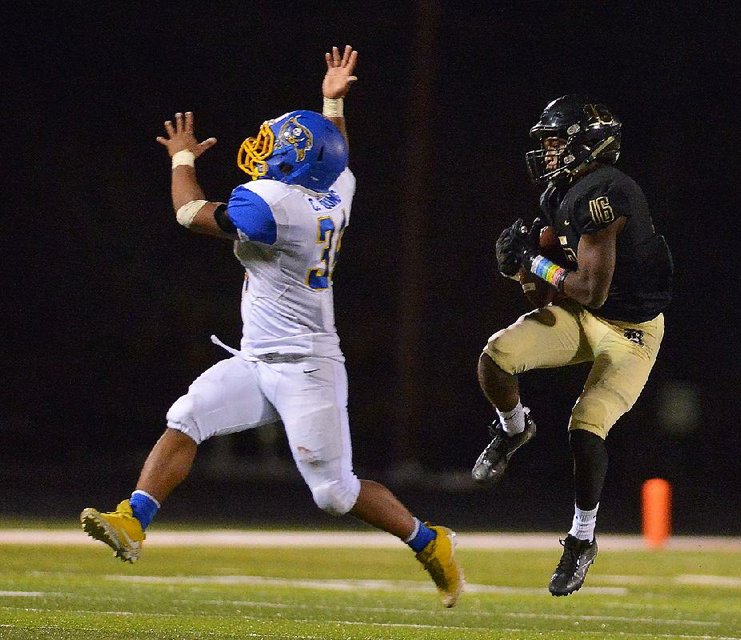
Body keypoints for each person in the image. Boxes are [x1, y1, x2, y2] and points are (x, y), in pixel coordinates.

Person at [80, 45, 463, 608]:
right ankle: (133, 521)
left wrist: (181, 159)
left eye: (278, 146)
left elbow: (189, 214)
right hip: (257, 359)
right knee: (187, 416)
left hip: (308, 367)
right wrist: (332, 105)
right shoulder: (337, 190)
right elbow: (339, 157)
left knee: (335, 494)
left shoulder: (274, 206)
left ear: (296, 162)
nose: (266, 152)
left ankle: (431, 541)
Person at [472, 95, 673, 596]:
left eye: (557, 142)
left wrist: (534, 261)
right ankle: (514, 429)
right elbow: (548, 290)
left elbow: (589, 288)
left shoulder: (608, 192)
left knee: (586, 426)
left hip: (631, 331)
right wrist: (521, 270)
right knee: (497, 355)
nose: (548, 152)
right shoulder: (560, 193)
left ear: (587, 142)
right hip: (585, 318)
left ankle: (582, 539)